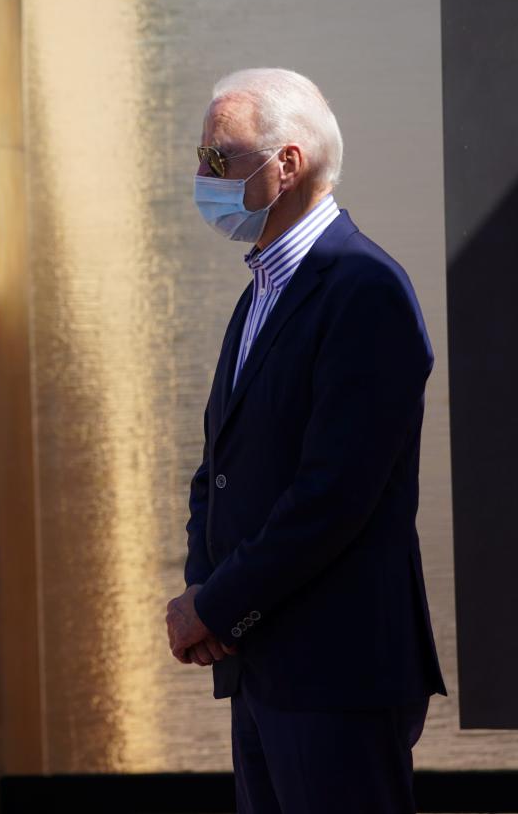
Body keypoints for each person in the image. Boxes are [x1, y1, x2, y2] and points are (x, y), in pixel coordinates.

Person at [167, 69, 447, 813]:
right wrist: (204, 591)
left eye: (216, 158)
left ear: (285, 164)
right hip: (262, 666)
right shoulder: (263, 288)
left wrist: (218, 606)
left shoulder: (364, 288)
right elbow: (218, 469)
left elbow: (332, 497)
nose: (200, 176)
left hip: (337, 672)